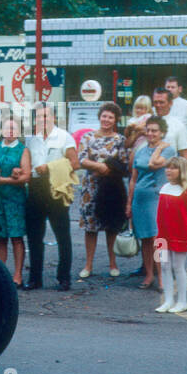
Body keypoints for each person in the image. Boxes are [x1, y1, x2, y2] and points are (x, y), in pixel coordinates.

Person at [24, 102, 80, 291]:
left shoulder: (64, 137)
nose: (43, 120)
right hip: (35, 187)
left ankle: (64, 277)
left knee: (62, 235)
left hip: (56, 186)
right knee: (34, 236)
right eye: (39, 117)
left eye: (46, 116)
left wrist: (50, 167)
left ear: (54, 118)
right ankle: (35, 278)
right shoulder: (31, 139)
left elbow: (75, 163)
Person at [77, 101, 128, 279]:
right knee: (90, 227)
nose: (106, 119)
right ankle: (88, 265)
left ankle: (113, 264)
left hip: (111, 187)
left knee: (111, 226)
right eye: (104, 116)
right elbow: (82, 159)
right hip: (90, 187)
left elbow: (124, 162)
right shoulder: (88, 137)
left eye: (110, 117)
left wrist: (107, 169)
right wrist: (101, 166)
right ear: (99, 117)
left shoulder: (120, 139)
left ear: (116, 120)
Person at [129, 116, 176, 290]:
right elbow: (133, 179)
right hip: (140, 199)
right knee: (145, 239)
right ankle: (149, 275)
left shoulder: (168, 150)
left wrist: (159, 147)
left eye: (155, 130)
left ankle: (163, 276)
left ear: (162, 132)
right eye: (148, 130)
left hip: (157, 198)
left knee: (159, 238)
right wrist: (129, 202)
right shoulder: (140, 151)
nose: (150, 134)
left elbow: (154, 165)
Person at [0, 115, 30, 287]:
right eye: (6, 128)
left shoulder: (22, 149)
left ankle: (17, 275)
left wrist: (4, 180)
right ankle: (1, 274)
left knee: (16, 237)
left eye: (13, 129)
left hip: (15, 199)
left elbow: (27, 176)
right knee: (0, 238)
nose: (9, 132)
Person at [155, 156, 187, 314]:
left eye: (173, 168)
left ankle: (182, 301)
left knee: (178, 267)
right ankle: (168, 300)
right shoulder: (164, 188)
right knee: (164, 266)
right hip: (162, 234)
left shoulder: (186, 190)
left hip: (180, 233)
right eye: (167, 167)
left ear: (181, 171)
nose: (168, 170)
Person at [150, 89, 187, 157]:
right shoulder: (145, 121)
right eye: (155, 102)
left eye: (161, 102)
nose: (158, 105)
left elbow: (184, 155)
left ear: (170, 103)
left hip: (168, 166)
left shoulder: (178, 125)